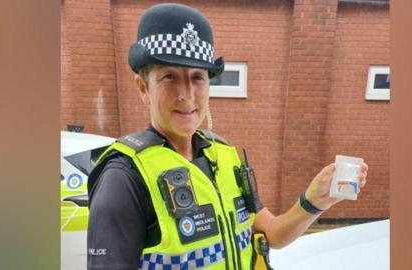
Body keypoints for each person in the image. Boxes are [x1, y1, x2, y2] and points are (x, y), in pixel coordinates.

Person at [87, 3, 368, 270]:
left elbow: (273, 233)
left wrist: (316, 199)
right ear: (143, 88)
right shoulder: (123, 177)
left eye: (197, 77)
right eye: (169, 77)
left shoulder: (224, 155)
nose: (187, 94)